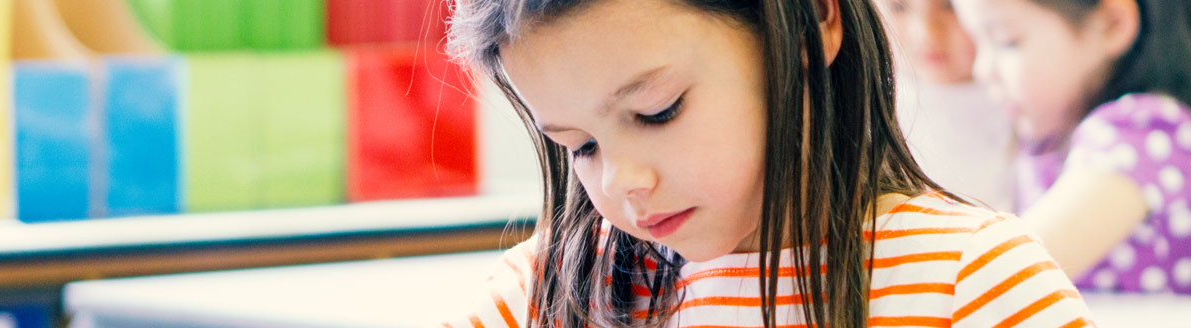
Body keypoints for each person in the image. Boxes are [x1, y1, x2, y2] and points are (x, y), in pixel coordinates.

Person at [443, 0, 1095, 326]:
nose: (622, 182)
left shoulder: (975, 281)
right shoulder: (538, 295)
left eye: (658, 111)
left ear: (812, 23)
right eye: (578, 145)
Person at [951, 0, 1191, 298]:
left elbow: (1000, 268)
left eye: (1007, 41)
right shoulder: (1045, 144)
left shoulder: (1146, 131)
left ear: (1110, 25)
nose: (982, 69)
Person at [877, 0, 1016, 212]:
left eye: (950, 6)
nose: (925, 33)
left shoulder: (1027, 105)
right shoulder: (875, 114)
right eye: (899, 7)